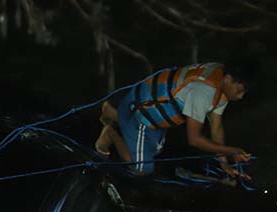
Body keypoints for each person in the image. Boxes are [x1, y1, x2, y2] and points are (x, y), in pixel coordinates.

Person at [95, 60, 257, 177]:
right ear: (228, 79)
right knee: (142, 169)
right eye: (239, 90)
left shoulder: (220, 80)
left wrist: (224, 164)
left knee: (155, 150)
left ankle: (115, 114)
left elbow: (216, 128)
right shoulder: (203, 91)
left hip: (155, 119)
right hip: (141, 113)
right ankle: (112, 132)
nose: (240, 97)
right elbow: (194, 139)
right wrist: (231, 150)